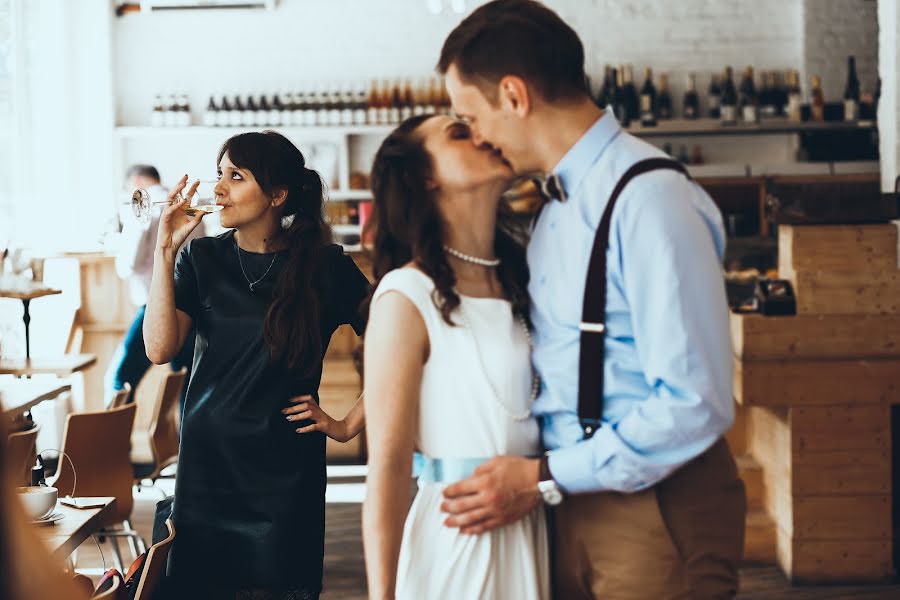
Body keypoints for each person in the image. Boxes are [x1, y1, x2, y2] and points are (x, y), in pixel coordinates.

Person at [436, 1, 746, 598]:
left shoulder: (648, 198)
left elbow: (694, 401)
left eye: (470, 115)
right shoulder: (555, 207)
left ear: (514, 96)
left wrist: (543, 475)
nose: (476, 137)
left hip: (658, 504)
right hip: (570, 499)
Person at [143, 131, 369, 599]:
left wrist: (350, 424)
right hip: (205, 474)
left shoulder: (325, 268)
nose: (218, 188)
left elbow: (403, 340)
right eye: (219, 174)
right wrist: (164, 254)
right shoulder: (201, 258)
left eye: (236, 176)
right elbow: (160, 349)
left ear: (277, 195)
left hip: (284, 479)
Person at [362, 114, 549, 599]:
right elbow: (388, 467)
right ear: (425, 177)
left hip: (534, 525)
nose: (483, 133)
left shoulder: (525, 280)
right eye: (459, 132)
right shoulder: (406, 293)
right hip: (457, 541)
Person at [105, 164, 202, 409]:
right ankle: (184, 444)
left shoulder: (144, 206)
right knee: (187, 382)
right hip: (192, 305)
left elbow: (129, 264)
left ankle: (114, 446)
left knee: (119, 378)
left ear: (136, 181)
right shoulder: (188, 206)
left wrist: (116, 244)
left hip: (156, 305)